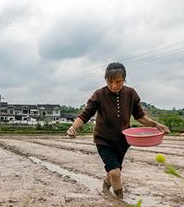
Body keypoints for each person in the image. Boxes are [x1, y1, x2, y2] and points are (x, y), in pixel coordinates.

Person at [66, 62, 170, 199]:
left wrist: (156, 124)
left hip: (123, 141)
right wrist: (73, 128)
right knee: (115, 172)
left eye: (118, 82)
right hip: (104, 140)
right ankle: (120, 202)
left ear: (124, 79)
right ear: (105, 80)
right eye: (110, 82)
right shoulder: (99, 95)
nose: (114, 86)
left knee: (115, 171)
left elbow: (140, 116)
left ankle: (106, 186)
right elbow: (85, 115)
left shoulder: (131, 94)